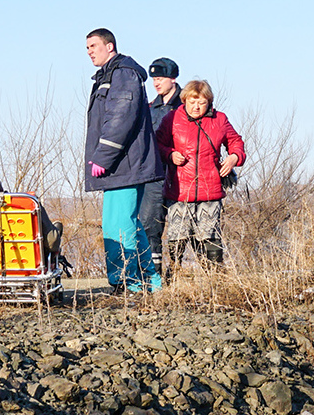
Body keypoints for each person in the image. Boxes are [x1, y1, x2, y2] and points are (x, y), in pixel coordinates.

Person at [83, 29, 163, 293]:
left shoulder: (122, 73)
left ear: (110, 45)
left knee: (118, 226)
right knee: (129, 223)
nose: (90, 51)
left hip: (123, 165)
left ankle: (127, 283)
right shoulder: (111, 74)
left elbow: (120, 117)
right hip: (123, 165)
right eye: (87, 48)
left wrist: (103, 155)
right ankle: (149, 282)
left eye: (94, 45)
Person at [155, 78, 245, 273]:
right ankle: (174, 277)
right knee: (177, 238)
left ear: (209, 102)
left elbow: (236, 142)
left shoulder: (220, 120)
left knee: (210, 238)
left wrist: (233, 158)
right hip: (179, 191)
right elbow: (156, 145)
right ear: (185, 99)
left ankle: (215, 281)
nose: (196, 107)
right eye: (192, 101)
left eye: (202, 102)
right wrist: (170, 154)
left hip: (210, 190)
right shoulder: (171, 119)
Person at [142, 58, 181, 277]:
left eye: (160, 78)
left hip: (180, 177)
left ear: (172, 79)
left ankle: (175, 273)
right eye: (154, 79)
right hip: (154, 177)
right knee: (150, 226)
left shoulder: (187, 105)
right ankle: (152, 276)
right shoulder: (149, 108)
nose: (156, 83)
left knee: (180, 230)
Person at [0, 171, 63, 264]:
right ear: (0, 187)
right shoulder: (28, 202)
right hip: (28, 264)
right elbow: (52, 242)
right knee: (54, 232)